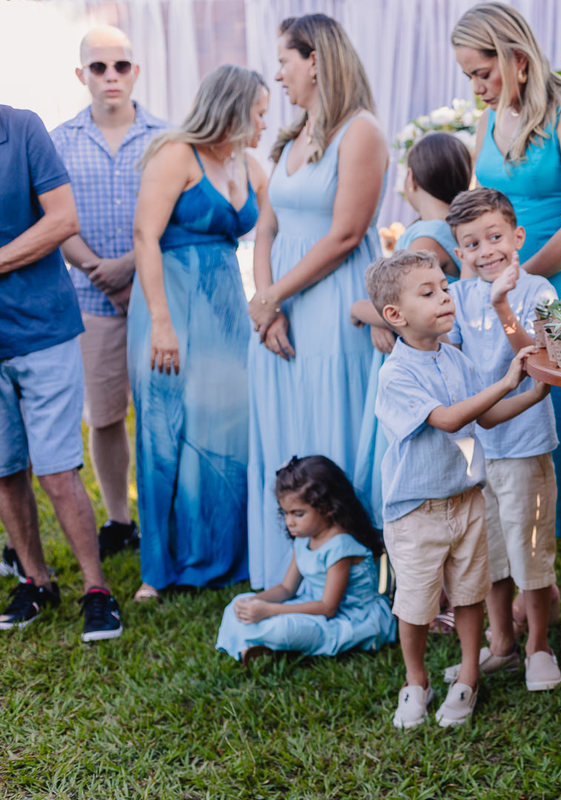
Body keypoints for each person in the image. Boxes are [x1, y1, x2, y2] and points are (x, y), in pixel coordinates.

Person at [454, 0, 561, 656]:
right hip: (501, 285)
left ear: (516, 59)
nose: (477, 86)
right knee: (513, 431)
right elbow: (476, 207)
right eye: (470, 76)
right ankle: (527, 583)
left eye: (482, 72)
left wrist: (519, 278)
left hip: (560, 289)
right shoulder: (487, 119)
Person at [365, 249, 549, 729]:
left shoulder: (456, 358)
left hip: (465, 499)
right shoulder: (396, 373)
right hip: (415, 512)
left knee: (470, 594)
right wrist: (509, 378)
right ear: (395, 315)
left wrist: (532, 393)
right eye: (428, 293)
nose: (445, 298)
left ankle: (468, 676)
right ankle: (416, 682)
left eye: (444, 288)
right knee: (417, 604)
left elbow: (483, 416)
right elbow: (449, 420)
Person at [247, 13, 389, 589]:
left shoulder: (361, 132)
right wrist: (265, 301)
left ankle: (348, 579)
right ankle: (285, 574)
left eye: (284, 60)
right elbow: (266, 228)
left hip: (333, 303)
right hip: (281, 311)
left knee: (332, 427)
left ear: (315, 60)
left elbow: (346, 234)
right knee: (286, 428)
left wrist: (277, 293)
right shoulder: (291, 135)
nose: (277, 74)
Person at [129, 65, 270, 599]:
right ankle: (157, 570)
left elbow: (276, 231)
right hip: (170, 302)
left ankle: (221, 551)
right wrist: (161, 322)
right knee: (164, 427)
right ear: (231, 108)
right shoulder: (175, 155)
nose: (262, 123)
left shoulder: (249, 165)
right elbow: (144, 236)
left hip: (226, 306)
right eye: (257, 112)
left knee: (226, 424)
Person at [0, 104, 123, 641]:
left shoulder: (22, 129)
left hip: (42, 328)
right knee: (4, 470)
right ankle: (36, 580)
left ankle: (98, 590)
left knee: (54, 469)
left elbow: (63, 220)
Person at [51, 27, 169, 561]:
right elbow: (50, 215)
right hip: (91, 298)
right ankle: (119, 519)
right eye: (98, 68)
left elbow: (175, 214)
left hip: (156, 296)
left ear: (135, 71)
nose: (111, 76)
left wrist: (128, 266)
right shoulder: (60, 140)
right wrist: (99, 269)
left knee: (163, 410)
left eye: (120, 65)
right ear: (82, 76)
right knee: (103, 416)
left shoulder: (166, 138)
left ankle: (165, 516)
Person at [440, 188, 561, 692]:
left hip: (524, 442)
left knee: (530, 548)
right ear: (460, 252)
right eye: (472, 244)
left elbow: (536, 356)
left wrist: (502, 304)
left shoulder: (539, 291)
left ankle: (538, 645)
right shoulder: (458, 297)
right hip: (476, 448)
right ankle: (502, 643)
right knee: (488, 550)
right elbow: (450, 356)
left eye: (495, 237)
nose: (487, 250)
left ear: (517, 236)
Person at [350, 131, 473, 522]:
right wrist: (381, 319)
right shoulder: (442, 228)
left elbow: (389, 300)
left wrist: (360, 311)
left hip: (418, 359)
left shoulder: (426, 237)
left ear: (412, 180)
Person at [216, 455, 395, 663]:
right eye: (285, 513)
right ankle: (257, 647)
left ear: (328, 508)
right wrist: (255, 602)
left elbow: (328, 608)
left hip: (348, 620)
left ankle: (260, 644)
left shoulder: (341, 546)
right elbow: (286, 588)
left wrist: (270, 611)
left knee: (283, 628)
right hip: (312, 607)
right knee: (236, 605)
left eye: (297, 514)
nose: (289, 522)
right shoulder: (304, 539)